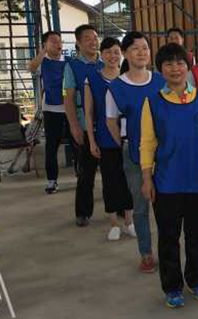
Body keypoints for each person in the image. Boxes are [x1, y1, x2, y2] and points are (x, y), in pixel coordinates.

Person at [140, 43, 198, 309]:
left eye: (180, 63)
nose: (175, 68)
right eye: (168, 64)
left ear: (188, 66)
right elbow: (147, 143)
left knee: (196, 236)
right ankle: (172, 287)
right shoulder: (153, 102)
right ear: (160, 69)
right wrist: (147, 179)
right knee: (169, 237)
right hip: (167, 183)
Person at [106, 31, 165, 274]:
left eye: (145, 48)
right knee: (140, 207)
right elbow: (111, 121)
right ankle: (146, 253)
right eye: (135, 48)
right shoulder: (116, 87)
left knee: (166, 207)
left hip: (164, 153)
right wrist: (124, 143)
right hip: (133, 154)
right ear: (125, 53)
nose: (142, 53)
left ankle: (167, 252)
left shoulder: (161, 81)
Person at [84, 37, 135, 241]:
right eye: (108, 52)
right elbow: (89, 113)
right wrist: (92, 141)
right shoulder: (92, 79)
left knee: (129, 181)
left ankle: (129, 222)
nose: (113, 56)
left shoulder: (127, 78)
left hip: (128, 138)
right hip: (105, 140)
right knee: (110, 181)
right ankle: (114, 223)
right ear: (102, 54)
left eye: (116, 52)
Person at [63, 24, 103, 227]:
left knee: (114, 170)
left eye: (95, 37)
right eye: (87, 38)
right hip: (85, 126)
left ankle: (120, 208)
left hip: (108, 125)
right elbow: (68, 98)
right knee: (87, 172)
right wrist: (74, 126)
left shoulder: (106, 63)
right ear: (78, 43)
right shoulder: (72, 66)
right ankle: (83, 212)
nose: (93, 41)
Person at [28, 30, 68, 194]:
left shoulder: (68, 61)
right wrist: (42, 52)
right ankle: (52, 181)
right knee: (51, 146)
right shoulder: (42, 62)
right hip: (51, 109)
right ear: (45, 44)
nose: (58, 44)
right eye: (53, 41)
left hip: (70, 108)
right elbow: (31, 67)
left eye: (59, 41)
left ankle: (82, 175)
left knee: (77, 143)